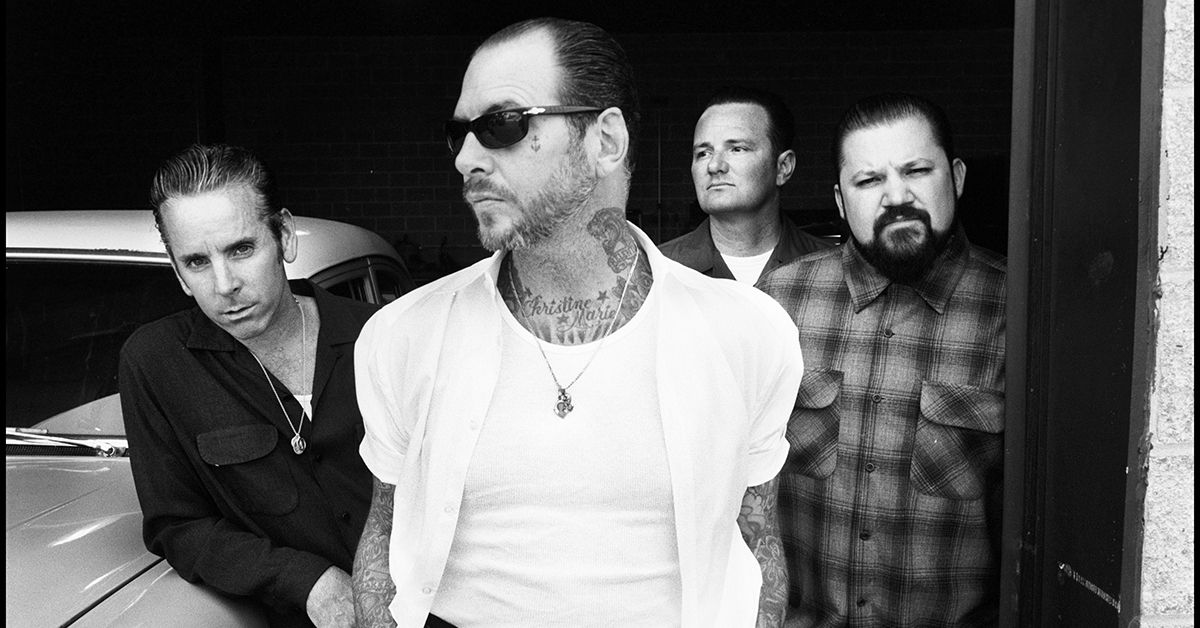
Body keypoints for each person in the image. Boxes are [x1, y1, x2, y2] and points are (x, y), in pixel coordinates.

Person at [352, 17, 803, 628]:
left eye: (503, 124)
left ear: (605, 140)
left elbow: (756, 537)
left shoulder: (747, 334)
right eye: (458, 133)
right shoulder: (404, 335)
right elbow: (384, 528)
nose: (465, 159)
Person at [759, 93, 1006, 627]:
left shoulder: (1017, 309)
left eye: (916, 171)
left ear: (956, 177)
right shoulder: (778, 304)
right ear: (840, 201)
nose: (897, 196)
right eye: (869, 180)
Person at [119, 144, 377, 627]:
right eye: (197, 262)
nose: (225, 285)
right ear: (177, 271)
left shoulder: (384, 335)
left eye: (241, 250)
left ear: (284, 237)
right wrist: (306, 581)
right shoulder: (156, 362)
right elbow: (178, 526)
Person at [660, 86, 832, 286]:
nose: (714, 166)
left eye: (737, 149)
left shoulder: (832, 269)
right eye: (703, 153)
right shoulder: (657, 269)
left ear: (783, 167)